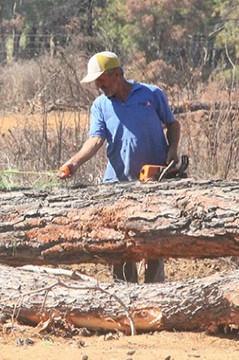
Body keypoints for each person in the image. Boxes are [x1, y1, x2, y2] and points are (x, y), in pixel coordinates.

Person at [58, 51, 181, 283]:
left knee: (153, 241)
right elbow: (95, 140)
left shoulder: (151, 94)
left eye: (101, 79)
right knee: (119, 243)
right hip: (117, 184)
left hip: (153, 183)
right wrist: (74, 162)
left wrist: (172, 150)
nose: (98, 85)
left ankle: (154, 296)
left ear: (116, 75)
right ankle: (125, 296)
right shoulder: (101, 105)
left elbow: (172, 124)